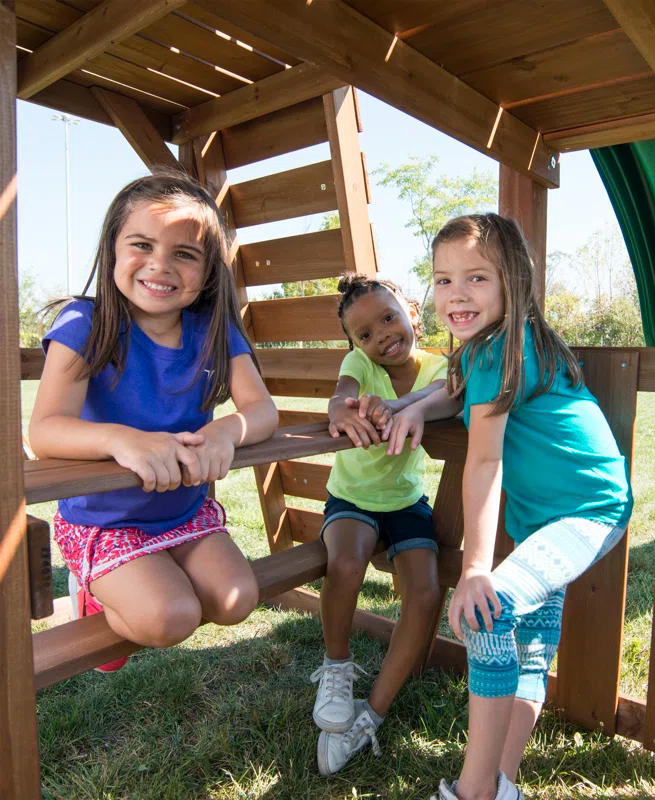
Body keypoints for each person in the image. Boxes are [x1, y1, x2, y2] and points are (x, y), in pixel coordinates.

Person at [387, 214, 633, 800]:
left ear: (512, 283)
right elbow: (451, 391)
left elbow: (486, 461)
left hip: (584, 515)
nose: (456, 294)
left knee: (488, 613)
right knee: (529, 646)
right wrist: (416, 406)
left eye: (476, 278)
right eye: (442, 280)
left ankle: (474, 792)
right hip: (551, 522)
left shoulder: (501, 347)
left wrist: (475, 570)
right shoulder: (488, 349)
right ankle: (503, 785)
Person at [29, 170, 278, 671]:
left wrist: (225, 430)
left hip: (183, 513)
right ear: (114, 249)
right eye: (142, 244)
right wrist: (125, 441)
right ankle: (92, 594)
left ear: (208, 271)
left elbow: (261, 410)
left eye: (184, 253)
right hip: (105, 522)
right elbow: (45, 429)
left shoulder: (215, 330)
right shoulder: (86, 322)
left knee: (235, 600)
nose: (160, 266)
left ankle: (146, 577)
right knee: (170, 618)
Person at [313, 273, 447, 775]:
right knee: (346, 563)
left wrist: (396, 406)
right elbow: (341, 394)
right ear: (356, 345)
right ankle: (336, 666)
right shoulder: (359, 366)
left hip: (406, 500)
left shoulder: (440, 365)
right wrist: (340, 409)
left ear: (412, 312)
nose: (381, 336)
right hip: (352, 497)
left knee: (427, 591)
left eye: (389, 318)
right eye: (365, 334)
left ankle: (372, 712)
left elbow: (449, 398)